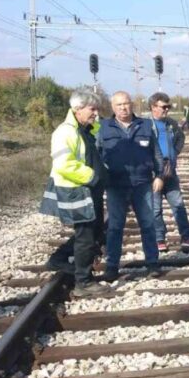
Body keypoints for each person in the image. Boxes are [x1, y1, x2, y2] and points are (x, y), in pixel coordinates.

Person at [41, 90, 110, 296]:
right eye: (92, 108)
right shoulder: (65, 132)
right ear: (77, 109)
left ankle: (59, 259)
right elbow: (63, 164)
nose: (95, 113)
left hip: (90, 189)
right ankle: (84, 282)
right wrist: (92, 177)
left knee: (94, 231)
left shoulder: (85, 129)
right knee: (86, 235)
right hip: (78, 189)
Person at [98, 91, 163, 281]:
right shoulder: (103, 127)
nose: (123, 108)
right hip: (116, 185)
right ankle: (112, 266)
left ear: (132, 104)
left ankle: (152, 263)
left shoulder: (145, 125)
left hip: (142, 183)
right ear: (112, 107)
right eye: (119, 105)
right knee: (115, 227)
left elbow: (156, 152)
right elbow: (96, 154)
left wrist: (159, 176)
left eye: (126, 104)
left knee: (148, 224)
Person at [148, 92, 189, 252]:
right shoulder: (145, 125)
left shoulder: (170, 123)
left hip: (170, 170)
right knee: (155, 208)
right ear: (153, 107)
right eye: (164, 107)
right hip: (152, 173)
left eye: (168, 107)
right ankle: (159, 239)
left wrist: (174, 154)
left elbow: (181, 137)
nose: (167, 110)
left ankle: (186, 236)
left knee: (178, 204)